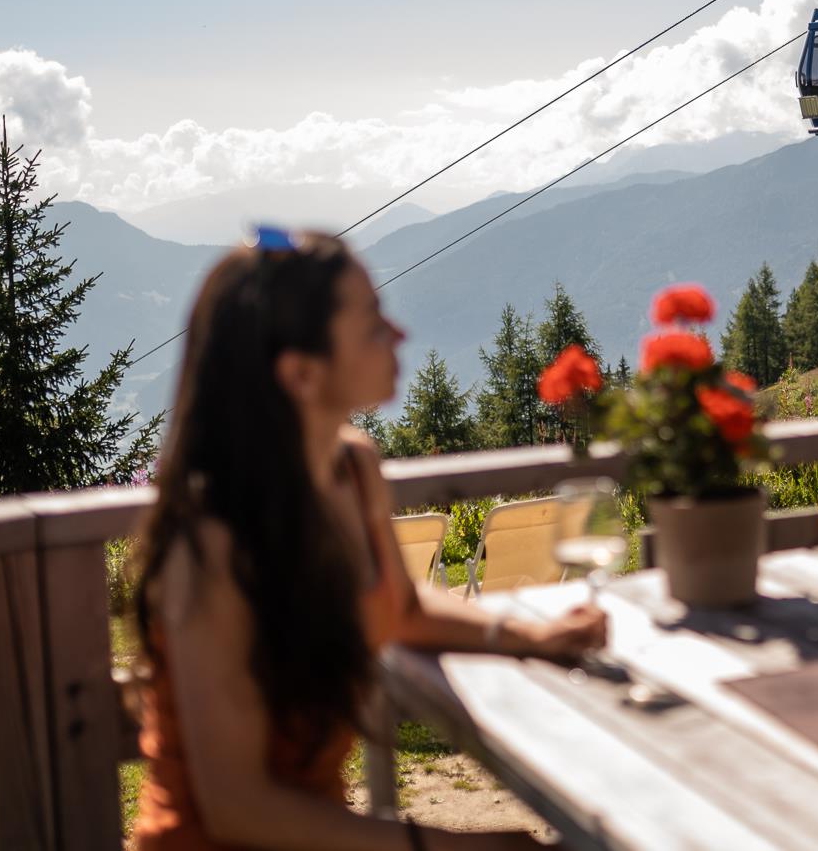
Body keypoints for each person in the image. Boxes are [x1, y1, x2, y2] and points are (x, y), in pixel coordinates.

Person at [129, 229, 607, 849]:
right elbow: (238, 809)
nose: (399, 334)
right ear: (301, 374)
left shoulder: (351, 469)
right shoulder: (214, 543)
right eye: (372, 323)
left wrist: (531, 637)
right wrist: (453, 845)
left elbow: (401, 606)